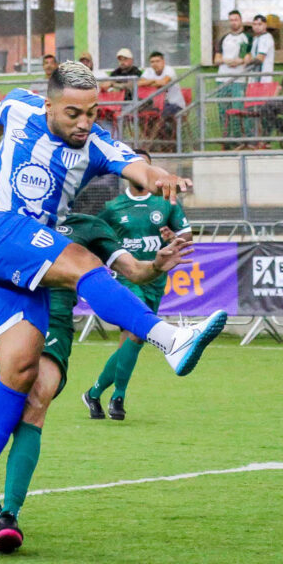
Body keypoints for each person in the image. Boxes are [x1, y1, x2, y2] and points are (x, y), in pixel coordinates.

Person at [0, 60, 227, 549]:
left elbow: (137, 167)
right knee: (82, 260)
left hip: (23, 259)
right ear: (48, 105)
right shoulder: (22, 106)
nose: (84, 123)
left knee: (20, 371)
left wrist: (160, 176)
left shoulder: (98, 143)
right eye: (72, 114)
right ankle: (169, 338)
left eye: (91, 112)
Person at [0, 195, 193, 551]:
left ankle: (10, 515)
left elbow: (134, 271)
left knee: (34, 401)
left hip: (51, 320)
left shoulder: (88, 225)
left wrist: (157, 265)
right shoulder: (2, 208)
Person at [83, 150, 193, 421]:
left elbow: (185, 236)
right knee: (134, 334)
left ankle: (94, 392)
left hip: (155, 279)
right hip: (127, 279)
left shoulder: (166, 204)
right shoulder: (113, 208)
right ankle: (117, 398)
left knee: (134, 340)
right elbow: (95, 238)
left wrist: (172, 238)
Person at [214, 10, 251, 143]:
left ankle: (238, 139)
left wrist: (239, 61)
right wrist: (227, 61)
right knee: (223, 110)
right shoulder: (224, 38)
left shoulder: (247, 37)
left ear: (241, 21)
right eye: (231, 20)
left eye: (236, 19)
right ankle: (226, 139)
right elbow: (216, 59)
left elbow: (247, 57)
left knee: (237, 109)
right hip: (222, 79)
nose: (233, 22)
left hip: (238, 80)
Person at [138, 51, 186, 129]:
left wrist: (148, 83)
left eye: (158, 61)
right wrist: (153, 81)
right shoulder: (149, 71)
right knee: (141, 114)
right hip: (158, 106)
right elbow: (139, 84)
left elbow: (163, 82)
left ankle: (155, 138)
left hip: (175, 105)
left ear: (163, 62)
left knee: (160, 115)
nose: (155, 64)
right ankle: (151, 137)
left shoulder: (169, 70)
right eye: (152, 62)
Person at [245, 15, 276, 84]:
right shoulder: (255, 39)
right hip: (253, 78)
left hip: (263, 79)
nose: (257, 27)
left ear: (265, 25)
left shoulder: (266, 38)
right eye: (254, 24)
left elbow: (259, 59)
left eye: (260, 24)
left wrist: (244, 62)